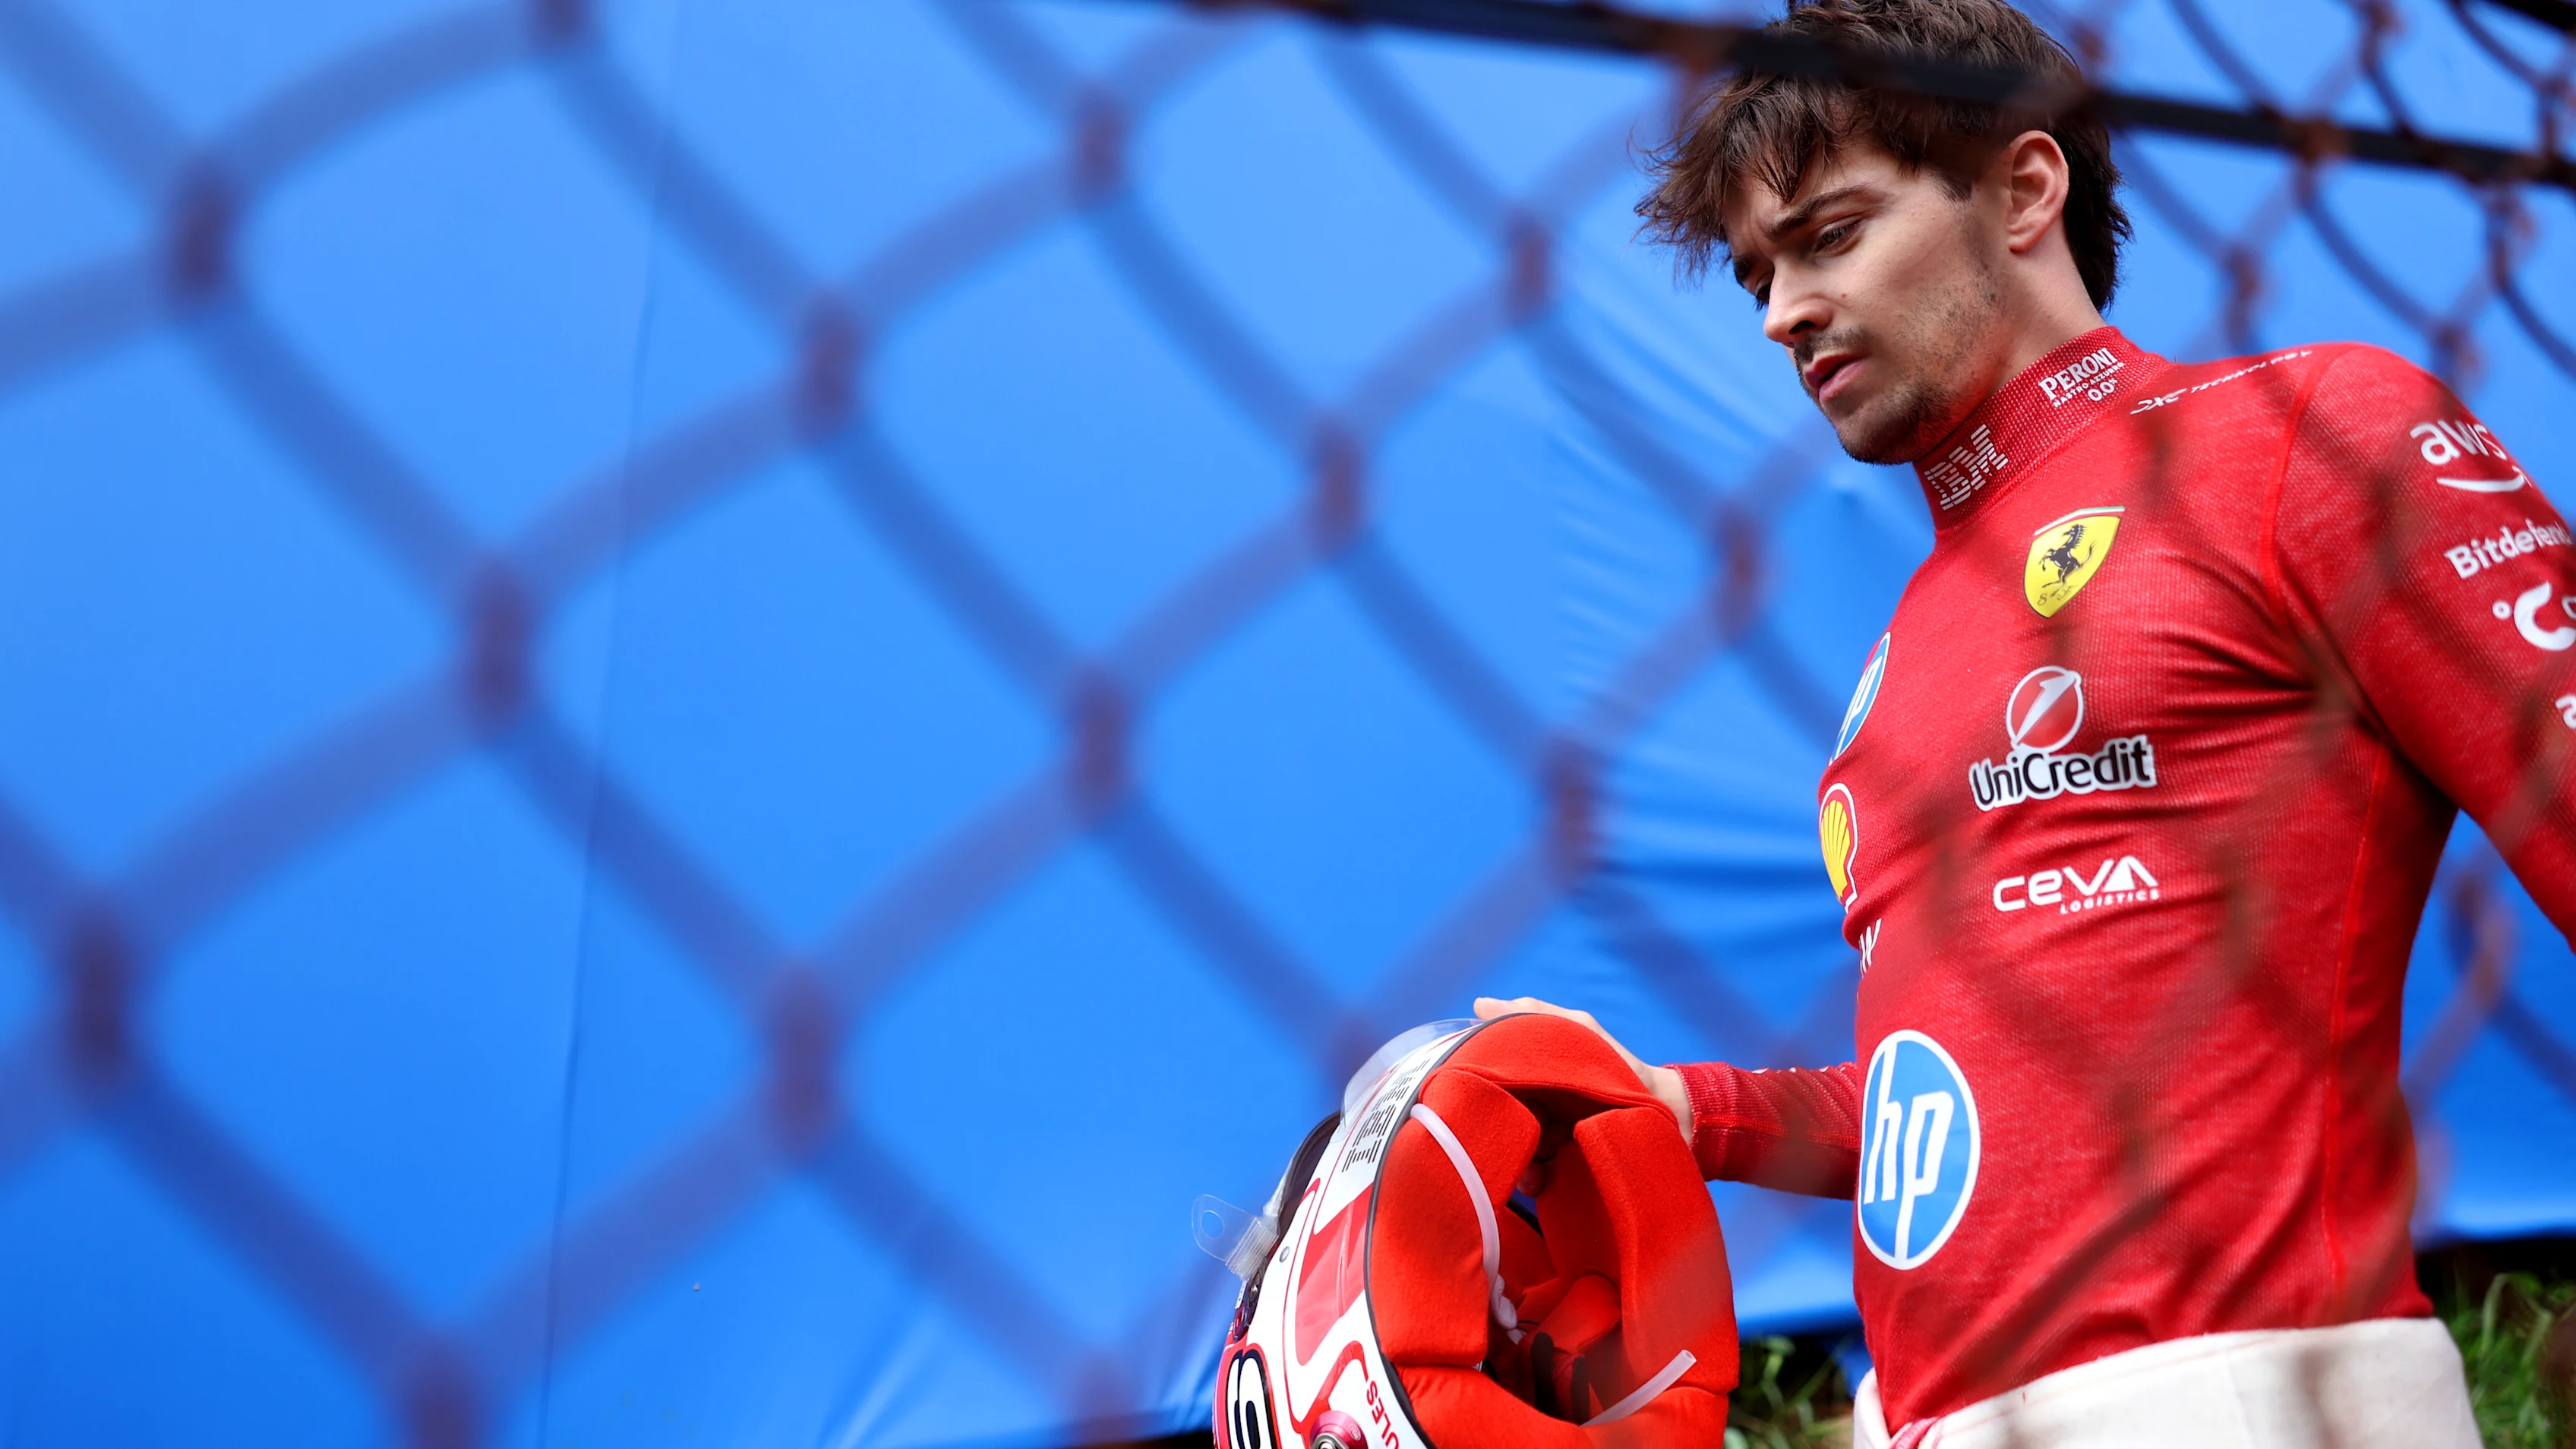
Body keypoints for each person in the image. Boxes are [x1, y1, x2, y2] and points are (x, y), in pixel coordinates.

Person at [1479, 2, 2576, 1444]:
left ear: (2023, 188)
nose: (1778, 313)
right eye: (1756, 273)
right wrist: (1684, 1109)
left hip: (2249, 1392)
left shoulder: (2309, 431)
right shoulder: (1894, 662)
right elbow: (1982, 1111)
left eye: (1829, 236)